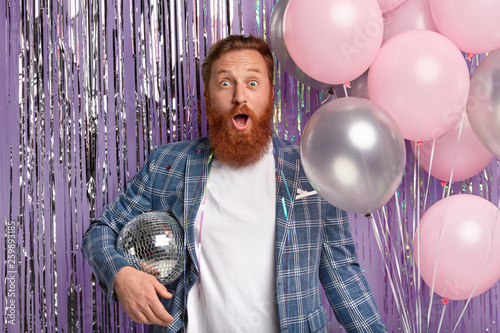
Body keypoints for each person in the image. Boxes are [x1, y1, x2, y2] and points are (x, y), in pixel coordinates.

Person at [82, 34, 388, 333]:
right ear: (208, 96)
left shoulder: (311, 168)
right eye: (225, 83)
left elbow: (342, 274)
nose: (240, 96)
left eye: (252, 83)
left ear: (270, 94)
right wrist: (120, 275)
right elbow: (101, 231)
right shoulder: (168, 163)